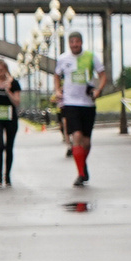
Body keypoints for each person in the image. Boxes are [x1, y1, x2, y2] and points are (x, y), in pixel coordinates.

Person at [54, 29, 101, 187]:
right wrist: (57, 90)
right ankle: (81, 173)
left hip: (88, 103)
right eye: (71, 42)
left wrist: (98, 90)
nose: (74, 45)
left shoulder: (90, 57)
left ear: (81, 42)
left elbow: (103, 75)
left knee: (86, 142)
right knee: (77, 135)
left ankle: (83, 165)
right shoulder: (63, 59)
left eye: (77, 42)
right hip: (70, 103)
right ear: (69, 43)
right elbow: (56, 75)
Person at [0, 58, 23, 185]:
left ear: (6, 69)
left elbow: (17, 102)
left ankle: (7, 175)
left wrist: (8, 91)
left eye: (1, 70)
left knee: (9, 147)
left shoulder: (14, 83)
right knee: (0, 146)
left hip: (10, 117)